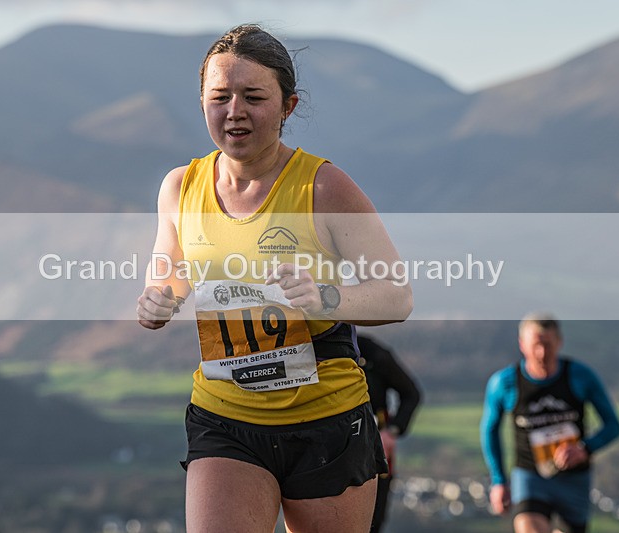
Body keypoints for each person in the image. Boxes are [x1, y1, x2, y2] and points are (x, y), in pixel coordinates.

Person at [136, 24, 413, 533]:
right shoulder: (180, 187)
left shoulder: (324, 187)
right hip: (225, 415)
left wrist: (325, 298)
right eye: (220, 97)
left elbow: (396, 296)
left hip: (326, 421)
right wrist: (159, 299)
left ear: (288, 106)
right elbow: (168, 272)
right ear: (202, 102)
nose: (234, 111)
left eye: (253, 97)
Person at [480, 313, 619, 533]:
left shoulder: (580, 376)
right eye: (536, 345)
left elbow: (613, 426)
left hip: (574, 479)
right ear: (522, 345)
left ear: (559, 342)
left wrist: (584, 449)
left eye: (548, 345)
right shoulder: (505, 383)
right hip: (530, 477)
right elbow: (490, 430)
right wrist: (498, 481)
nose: (542, 353)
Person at [356, 334, 421, 533]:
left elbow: (411, 393)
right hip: (327, 451)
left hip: (375, 451)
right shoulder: (307, 346)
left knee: (373, 522)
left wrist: (391, 432)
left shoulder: (371, 352)